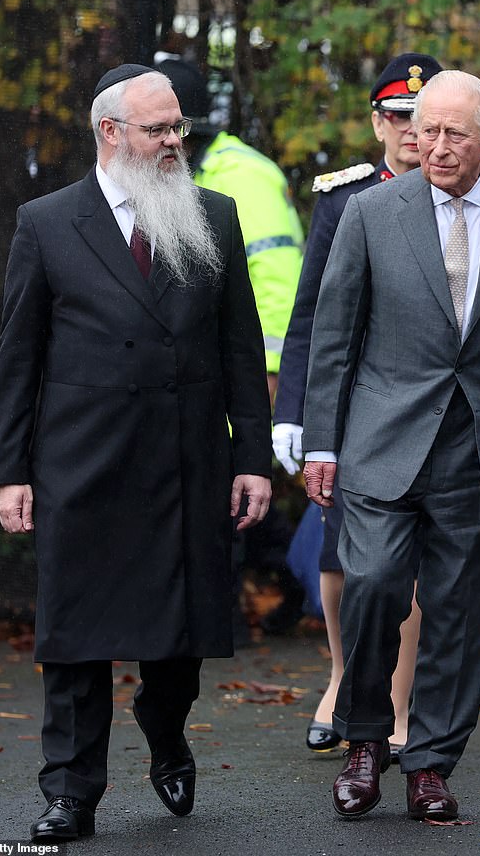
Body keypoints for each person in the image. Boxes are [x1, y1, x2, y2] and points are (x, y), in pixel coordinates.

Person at [0, 64, 272, 842]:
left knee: (177, 638)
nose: (176, 141)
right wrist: (8, 470)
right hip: (82, 461)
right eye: (159, 129)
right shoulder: (47, 221)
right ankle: (71, 793)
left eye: (178, 126)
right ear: (111, 132)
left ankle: (164, 722)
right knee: (74, 637)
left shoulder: (213, 214)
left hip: (186, 460)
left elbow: (241, 347)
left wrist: (252, 455)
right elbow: (20, 359)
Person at [302, 70, 480, 821]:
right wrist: (320, 445)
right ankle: (364, 742)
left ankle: (430, 763)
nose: (438, 146)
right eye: (427, 130)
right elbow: (333, 336)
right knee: (374, 588)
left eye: (456, 133)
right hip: (381, 440)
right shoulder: (369, 211)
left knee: (459, 611)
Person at [272, 53, 443, 754]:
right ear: (377, 122)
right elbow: (311, 312)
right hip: (352, 404)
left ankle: (397, 700)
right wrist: (293, 410)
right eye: (399, 117)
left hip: (425, 401)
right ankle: (344, 678)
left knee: (408, 559)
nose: (411, 131)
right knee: (341, 554)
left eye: (424, 119)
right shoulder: (343, 199)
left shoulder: (462, 192)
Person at [158, 57, 306, 634]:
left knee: (234, 486)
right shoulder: (206, 171)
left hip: (248, 366)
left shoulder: (239, 175)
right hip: (215, 365)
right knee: (227, 486)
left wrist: (270, 371)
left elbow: (275, 276)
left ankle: (257, 601)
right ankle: (276, 592)